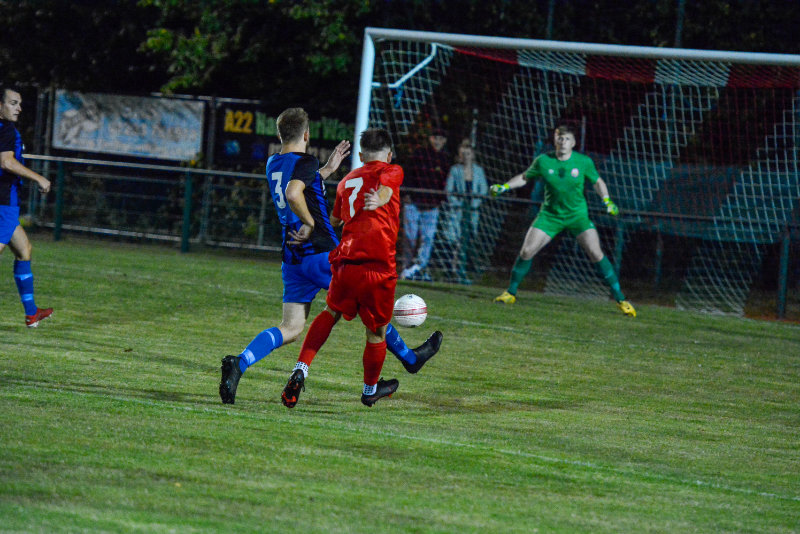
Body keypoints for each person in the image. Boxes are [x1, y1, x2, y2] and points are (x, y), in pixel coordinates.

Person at [219, 109, 441, 405]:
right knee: (367, 307)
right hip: (321, 250)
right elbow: (295, 192)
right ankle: (409, 359)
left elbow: (298, 185)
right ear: (307, 134)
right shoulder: (306, 162)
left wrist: (325, 170)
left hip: (292, 256)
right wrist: (310, 223)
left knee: (291, 327)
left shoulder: (273, 162)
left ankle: (241, 362)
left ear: (280, 135)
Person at [281, 128, 410, 408]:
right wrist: (380, 199)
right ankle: (370, 389)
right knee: (376, 332)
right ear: (389, 155)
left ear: (361, 156)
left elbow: (335, 220)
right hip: (377, 267)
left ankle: (300, 369)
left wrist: (310, 227)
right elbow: (387, 186)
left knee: (331, 312)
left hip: (345, 263)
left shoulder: (347, 181)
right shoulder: (392, 170)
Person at [490, 124, 636, 317]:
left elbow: (598, 182)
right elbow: (525, 177)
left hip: (577, 216)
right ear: (555, 140)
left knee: (595, 252)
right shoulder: (543, 161)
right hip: (550, 215)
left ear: (573, 143)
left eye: (567, 139)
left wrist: (607, 201)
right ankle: (510, 293)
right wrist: (504, 187)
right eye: (560, 138)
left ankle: (621, 299)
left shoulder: (583, 162)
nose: (563, 142)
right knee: (526, 251)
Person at [0, 86, 53, 327]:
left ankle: (32, 313)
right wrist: (39, 178)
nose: (19, 108)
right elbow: (6, 162)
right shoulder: (6, 129)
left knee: (24, 250)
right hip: (4, 203)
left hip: (5, 203)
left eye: (19, 103)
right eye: (13, 103)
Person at [399, 128, 449, 281]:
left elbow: (444, 183)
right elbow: (408, 174)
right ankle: (406, 268)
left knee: (427, 239)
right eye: (435, 138)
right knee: (410, 237)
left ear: (445, 141)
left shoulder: (445, 159)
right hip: (414, 202)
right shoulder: (419, 154)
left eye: (441, 139)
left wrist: (441, 200)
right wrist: (406, 194)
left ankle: (419, 268)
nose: (438, 141)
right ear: (430, 138)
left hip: (432, 206)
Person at [443, 139, 488, 283]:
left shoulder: (478, 171)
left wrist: (475, 203)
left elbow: (483, 190)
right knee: (455, 240)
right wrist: (457, 203)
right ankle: (454, 271)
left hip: (472, 211)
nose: (466, 157)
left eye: (468, 154)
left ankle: (458, 270)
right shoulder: (455, 170)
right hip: (458, 210)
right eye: (463, 154)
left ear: (472, 154)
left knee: (466, 240)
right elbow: (449, 190)